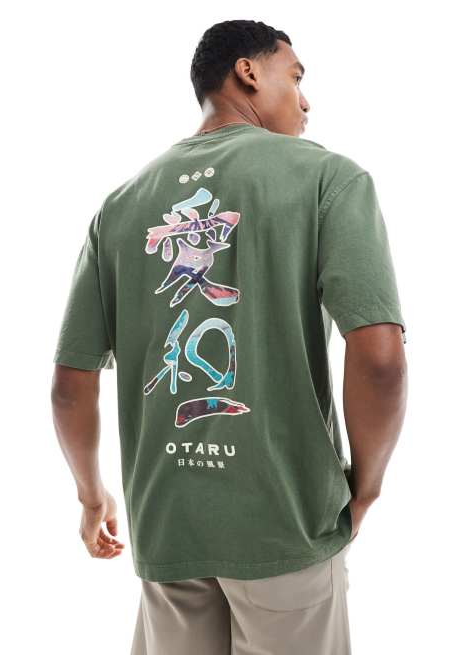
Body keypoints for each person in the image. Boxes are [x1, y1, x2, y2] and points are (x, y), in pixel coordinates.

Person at [51, 19, 408, 655]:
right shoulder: (329, 179)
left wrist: (92, 495)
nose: (306, 101)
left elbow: (69, 384)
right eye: (295, 77)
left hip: (167, 525)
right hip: (285, 520)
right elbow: (380, 358)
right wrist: (367, 484)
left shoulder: (122, 205)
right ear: (248, 72)